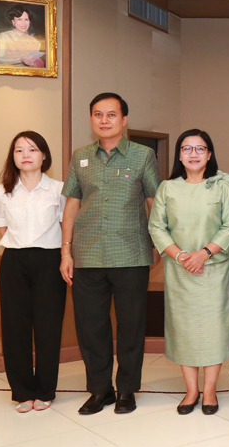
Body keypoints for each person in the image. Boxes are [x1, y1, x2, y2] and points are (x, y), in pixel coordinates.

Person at [61, 92, 161, 415]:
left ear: (124, 119)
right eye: (98, 114)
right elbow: (72, 205)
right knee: (91, 328)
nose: (104, 120)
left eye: (111, 115)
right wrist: (66, 250)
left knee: (131, 327)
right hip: (87, 255)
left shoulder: (143, 155)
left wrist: (159, 243)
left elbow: (154, 203)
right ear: (91, 119)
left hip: (131, 254)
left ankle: (127, 390)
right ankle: (100, 390)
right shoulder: (80, 158)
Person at [148, 130, 229, 415]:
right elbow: (157, 227)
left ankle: (210, 391)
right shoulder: (167, 187)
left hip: (213, 270)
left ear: (210, 154)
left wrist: (204, 253)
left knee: (214, 332)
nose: (193, 154)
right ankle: (191, 391)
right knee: (184, 332)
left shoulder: (222, 185)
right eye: (187, 148)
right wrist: (181, 255)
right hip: (179, 270)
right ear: (178, 154)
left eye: (200, 148)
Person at [0, 132, 66, 412]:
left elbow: (65, 226)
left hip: (50, 260)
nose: (25, 155)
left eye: (32, 149)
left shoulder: (59, 189)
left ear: (44, 155)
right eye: (19, 150)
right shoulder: (3, 190)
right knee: (14, 328)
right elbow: (1, 226)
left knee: (48, 327)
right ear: (13, 156)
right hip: (14, 262)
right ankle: (22, 391)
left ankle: (45, 390)